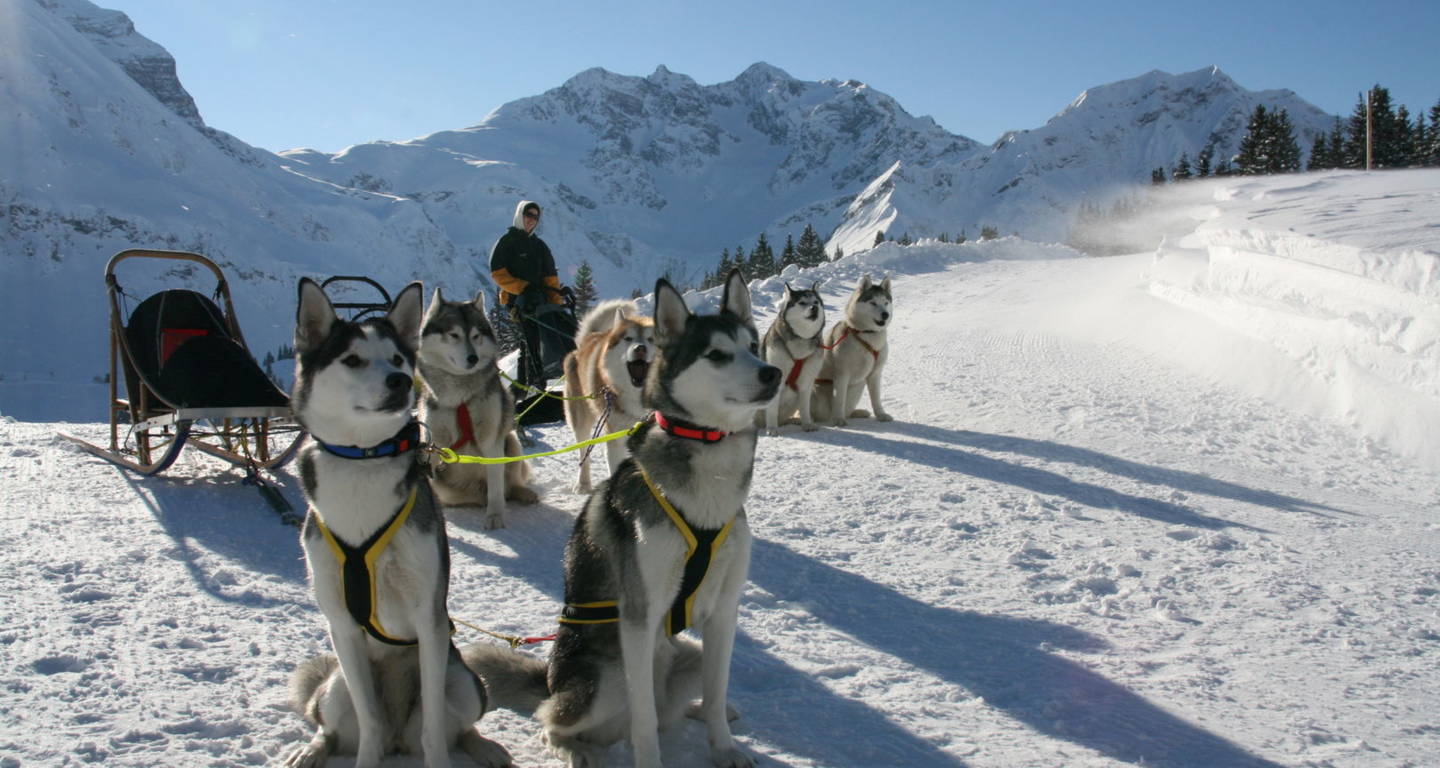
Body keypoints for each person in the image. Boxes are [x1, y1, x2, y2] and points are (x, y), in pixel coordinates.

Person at [490, 200, 568, 391]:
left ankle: (530, 384)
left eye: (535, 217)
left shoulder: (539, 246)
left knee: (536, 340)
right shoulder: (506, 243)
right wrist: (522, 288)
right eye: (528, 215)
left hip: (540, 300)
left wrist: (557, 301)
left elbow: (550, 276)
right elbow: (498, 274)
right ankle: (532, 383)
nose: (531, 220)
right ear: (519, 215)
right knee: (529, 340)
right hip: (518, 301)